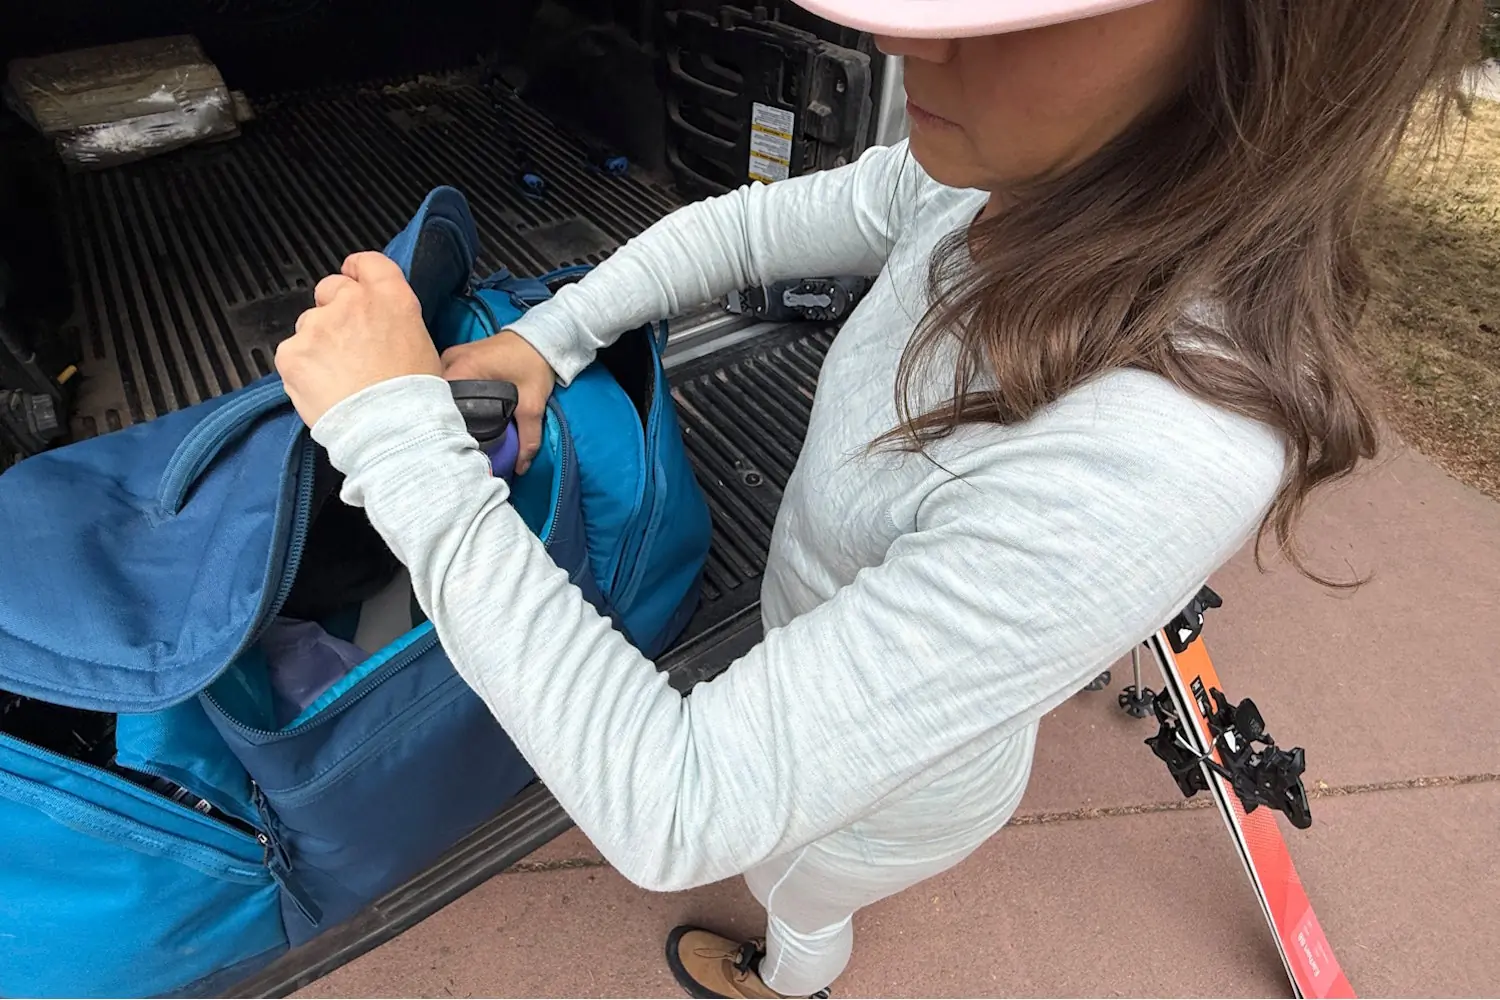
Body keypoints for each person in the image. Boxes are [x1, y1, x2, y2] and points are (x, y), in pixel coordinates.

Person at [273, 0, 1480, 995]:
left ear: (1269, 41)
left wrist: (397, 439)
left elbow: (675, 804)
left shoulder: (1166, 445)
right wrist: (554, 336)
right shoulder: (1007, 183)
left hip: (889, 804)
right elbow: (749, 227)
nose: (912, 43)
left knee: (805, 884)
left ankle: (791, 975)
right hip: (831, 655)